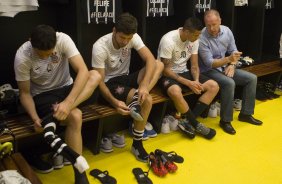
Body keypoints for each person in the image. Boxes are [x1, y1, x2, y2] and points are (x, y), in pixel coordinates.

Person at [14, 24, 101, 184]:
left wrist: (68, 103)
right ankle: (80, 173)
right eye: (42, 55)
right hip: (43, 96)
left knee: (94, 75)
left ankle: (53, 118)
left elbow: (82, 70)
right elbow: (25, 94)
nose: (46, 57)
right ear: (30, 43)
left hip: (67, 90)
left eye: (50, 54)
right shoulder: (22, 57)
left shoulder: (63, 39)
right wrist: (34, 118)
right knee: (75, 115)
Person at [91, 13, 164, 162]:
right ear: (114, 31)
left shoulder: (133, 37)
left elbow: (149, 58)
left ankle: (138, 97)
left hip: (126, 78)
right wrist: (113, 102)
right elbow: (99, 82)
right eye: (122, 38)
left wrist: (143, 85)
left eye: (128, 39)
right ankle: (137, 144)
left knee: (158, 64)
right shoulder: (100, 46)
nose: (125, 42)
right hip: (109, 84)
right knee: (147, 100)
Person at [198, 9, 263, 135]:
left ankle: (246, 114)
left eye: (214, 24)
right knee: (229, 83)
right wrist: (228, 60)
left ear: (220, 21)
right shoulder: (201, 38)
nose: (211, 28)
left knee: (252, 78)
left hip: (224, 67)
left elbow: (234, 51)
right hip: (207, 71)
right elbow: (209, 63)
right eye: (208, 25)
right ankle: (225, 121)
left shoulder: (227, 31)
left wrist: (232, 64)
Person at [158, 17, 219, 139]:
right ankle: (195, 123)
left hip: (185, 72)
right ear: (186, 32)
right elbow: (165, 70)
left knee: (214, 86)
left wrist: (196, 81)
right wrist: (188, 82)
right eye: (195, 35)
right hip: (167, 75)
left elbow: (194, 66)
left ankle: (187, 120)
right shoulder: (168, 40)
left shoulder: (194, 40)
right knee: (175, 91)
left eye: (199, 35)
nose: (197, 38)